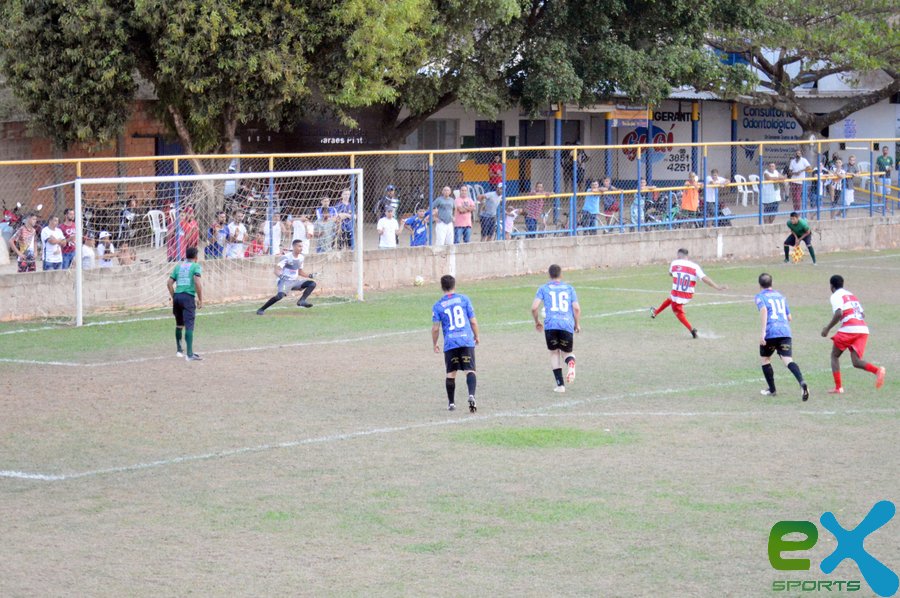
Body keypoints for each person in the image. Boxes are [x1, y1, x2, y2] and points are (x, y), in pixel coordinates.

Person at [820, 275, 886, 394]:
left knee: (834, 356)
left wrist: (827, 329)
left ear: (831, 286)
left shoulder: (835, 296)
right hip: (863, 329)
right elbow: (862, 314)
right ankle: (878, 371)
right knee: (856, 362)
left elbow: (839, 313)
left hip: (849, 328)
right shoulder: (851, 295)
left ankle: (838, 387)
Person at [649, 248, 728, 338]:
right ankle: (655, 313)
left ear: (679, 256)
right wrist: (717, 287)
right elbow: (704, 278)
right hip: (688, 294)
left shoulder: (674, 263)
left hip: (678, 292)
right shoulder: (695, 266)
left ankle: (692, 330)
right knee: (671, 297)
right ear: (687, 256)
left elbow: (670, 274)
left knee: (677, 312)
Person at [755, 273, 809, 400]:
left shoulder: (760, 297)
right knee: (788, 360)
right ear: (771, 283)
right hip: (785, 332)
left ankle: (772, 390)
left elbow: (764, 311)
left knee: (765, 359)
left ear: (759, 284)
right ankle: (801, 382)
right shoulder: (780, 296)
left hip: (770, 332)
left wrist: (763, 332)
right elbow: (789, 317)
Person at [431, 274, 480, 412]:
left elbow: (435, 328)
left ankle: (451, 404)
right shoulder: (464, 299)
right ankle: (471, 396)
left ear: (442, 287)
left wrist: (434, 343)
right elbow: (473, 321)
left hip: (450, 342)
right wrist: (476, 336)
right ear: (454, 286)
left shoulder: (438, 305)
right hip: (466, 340)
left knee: (451, 373)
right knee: (469, 370)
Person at [532, 264, 581, 393]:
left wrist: (537, 322)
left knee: (554, 353)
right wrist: (577, 324)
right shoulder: (569, 288)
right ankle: (570, 362)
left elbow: (534, 307)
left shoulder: (543, 288)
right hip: (566, 324)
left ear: (549, 275)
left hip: (551, 325)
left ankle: (560, 385)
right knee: (567, 353)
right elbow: (576, 308)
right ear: (561, 275)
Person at [256, 239, 316, 315]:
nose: (301, 248)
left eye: (302, 246)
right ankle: (261, 309)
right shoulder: (286, 257)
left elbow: (300, 272)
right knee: (280, 296)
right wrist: (281, 276)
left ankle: (302, 301)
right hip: (285, 282)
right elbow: (276, 270)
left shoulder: (301, 257)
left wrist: (310, 275)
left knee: (312, 284)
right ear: (294, 247)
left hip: (295, 282)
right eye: (299, 246)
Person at [167, 246, 203, 361]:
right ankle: (189, 354)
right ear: (196, 257)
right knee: (189, 325)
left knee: (179, 324)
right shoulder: (196, 266)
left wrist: (174, 296)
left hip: (177, 297)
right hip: (188, 297)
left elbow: (169, 283)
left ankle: (179, 350)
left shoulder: (178, 267)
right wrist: (200, 299)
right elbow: (197, 281)